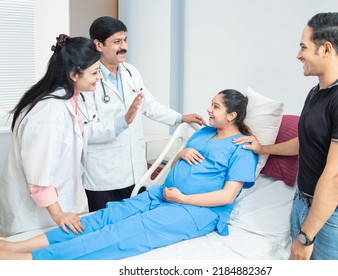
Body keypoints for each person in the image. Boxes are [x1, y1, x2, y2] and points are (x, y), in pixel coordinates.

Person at [0, 89, 258, 260]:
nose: (209, 110)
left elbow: (227, 196)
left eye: (216, 106)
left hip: (195, 211)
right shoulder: (203, 133)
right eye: (211, 104)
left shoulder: (242, 148)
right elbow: (185, 157)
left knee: (124, 231)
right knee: (107, 216)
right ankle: (18, 245)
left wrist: (182, 199)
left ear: (232, 115)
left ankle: (29, 259)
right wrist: (180, 154)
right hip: (163, 195)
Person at [234, 12, 338, 260]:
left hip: (337, 219)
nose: (298, 54)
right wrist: (262, 149)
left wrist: (306, 236)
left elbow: (337, 177)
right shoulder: (316, 93)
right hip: (303, 206)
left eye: (303, 47)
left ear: (326, 49)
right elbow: (306, 142)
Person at [79, 16, 207, 212]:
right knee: (104, 227)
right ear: (98, 45)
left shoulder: (131, 72)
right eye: (117, 42)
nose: (124, 47)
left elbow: (150, 106)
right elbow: (85, 130)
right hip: (104, 175)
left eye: (125, 40)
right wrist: (123, 121)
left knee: (133, 221)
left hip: (135, 170)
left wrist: (180, 117)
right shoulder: (86, 79)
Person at [0, 35, 105, 237]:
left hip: (61, 204)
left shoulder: (69, 99)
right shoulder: (48, 112)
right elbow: (39, 175)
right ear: (74, 74)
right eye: (94, 72)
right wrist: (59, 214)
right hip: (38, 218)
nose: (99, 77)